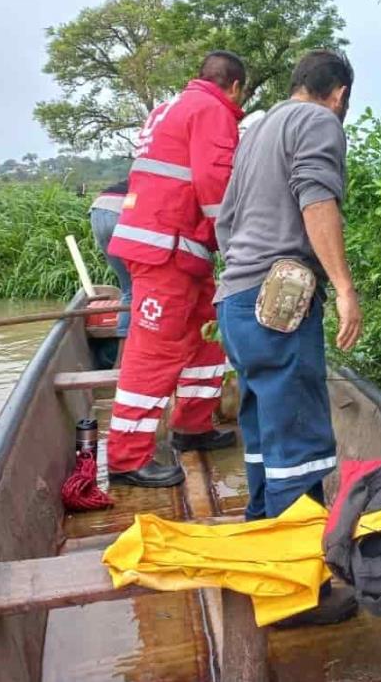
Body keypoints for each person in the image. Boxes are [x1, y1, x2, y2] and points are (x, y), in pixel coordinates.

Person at [214, 49, 361, 623]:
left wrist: (245, 277)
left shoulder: (255, 131)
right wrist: (344, 288)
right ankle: (295, 593)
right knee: (298, 444)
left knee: (260, 432)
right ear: (339, 94)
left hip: (236, 301)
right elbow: (316, 200)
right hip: (279, 303)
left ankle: (265, 549)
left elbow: (225, 221)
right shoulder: (319, 122)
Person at [104, 51, 246, 488]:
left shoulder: (169, 108)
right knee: (154, 353)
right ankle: (126, 458)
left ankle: (192, 427)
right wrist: (239, 245)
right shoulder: (212, 110)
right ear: (236, 86)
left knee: (207, 335)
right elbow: (214, 183)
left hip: (180, 250)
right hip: (164, 253)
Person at [88, 179, 132, 338]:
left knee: (128, 288)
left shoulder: (140, 173)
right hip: (121, 209)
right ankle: (128, 346)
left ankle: (121, 351)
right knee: (136, 286)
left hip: (97, 209)